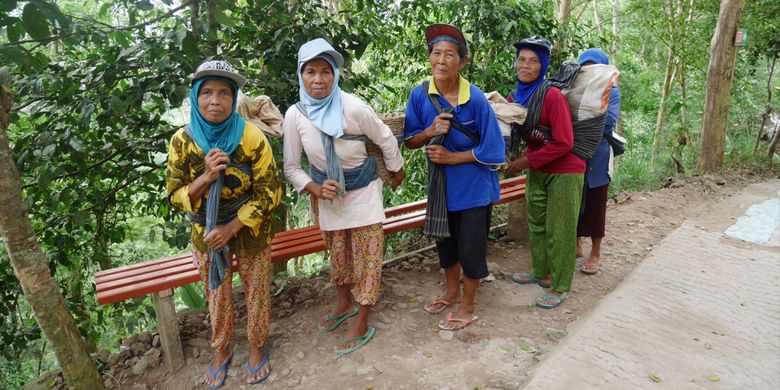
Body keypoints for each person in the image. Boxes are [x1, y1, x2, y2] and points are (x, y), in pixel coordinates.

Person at [283, 38, 404, 356]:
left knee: (367, 258)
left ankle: (362, 319)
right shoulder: (295, 115)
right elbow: (292, 167)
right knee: (338, 254)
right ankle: (343, 302)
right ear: (301, 74)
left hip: (363, 190)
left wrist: (396, 170)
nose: (318, 79)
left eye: (326, 71)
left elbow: (386, 138)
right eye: (310, 71)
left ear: (336, 75)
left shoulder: (354, 107)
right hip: (328, 195)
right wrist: (315, 189)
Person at [166, 60, 282, 387]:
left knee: (257, 289)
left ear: (233, 99)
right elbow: (174, 194)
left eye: (223, 93)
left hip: (251, 228)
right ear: (195, 97)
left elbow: (270, 193)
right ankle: (222, 349)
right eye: (206, 93)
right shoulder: (182, 141)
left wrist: (232, 227)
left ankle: (258, 346)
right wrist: (205, 178)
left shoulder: (251, 137)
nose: (215, 101)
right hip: (205, 228)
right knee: (216, 291)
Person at [404, 24, 505, 330]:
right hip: (442, 189)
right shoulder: (420, 95)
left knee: (471, 248)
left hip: (475, 189)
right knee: (446, 245)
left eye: (450, 54)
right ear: (429, 57)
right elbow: (409, 140)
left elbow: (494, 151)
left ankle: (469, 304)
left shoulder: (474, 99)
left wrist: (452, 157)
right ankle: (450, 291)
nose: (441, 60)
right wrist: (429, 132)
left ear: (462, 61)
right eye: (436, 53)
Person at [505, 36, 585, 309]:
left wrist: (526, 161)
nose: (525, 66)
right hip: (538, 166)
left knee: (560, 229)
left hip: (565, 169)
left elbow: (565, 142)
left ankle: (560, 285)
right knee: (537, 223)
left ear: (544, 66)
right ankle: (541, 272)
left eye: (533, 61)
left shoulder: (551, 95)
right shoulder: (515, 97)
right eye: (522, 60)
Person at [575, 48, 621, 275]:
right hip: (575, 153)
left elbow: (609, 121)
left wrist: (580, 124)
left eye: (596, 66)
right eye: (586, 66)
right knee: (575, 198)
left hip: (599, 156)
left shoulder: (612, 91)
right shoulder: (573, 88)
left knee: (596, 202)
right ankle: (577, 242)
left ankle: (595, 251)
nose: (591, 71)